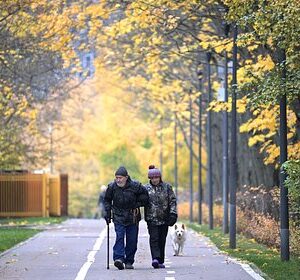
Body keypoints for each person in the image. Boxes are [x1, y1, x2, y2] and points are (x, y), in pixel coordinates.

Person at [104, 166, 149, 270]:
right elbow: (107, 200)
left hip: (133, 216)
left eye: (120, 178)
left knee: (132, 240)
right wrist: (107, 213)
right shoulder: (112, 187)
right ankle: (119, 259)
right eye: (116, 178)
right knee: (119, 236)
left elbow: (145, 197)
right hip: (118, 216)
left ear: (126, 177)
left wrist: (137, 203)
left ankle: (129, 261)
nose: (118, 180)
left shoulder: (136, 186)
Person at [144, 165, 177, 269]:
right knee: (154, 238)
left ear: (160, 177)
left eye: (156, 178)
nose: (154, 180)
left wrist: (173, 214)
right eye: (152, 178)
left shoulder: (167, 187)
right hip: (151, 218)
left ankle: (160, 260)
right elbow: (141, 200)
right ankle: (155, 258)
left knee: (162, 239)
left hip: (164, 218)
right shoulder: (145, 189)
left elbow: (172, 201)